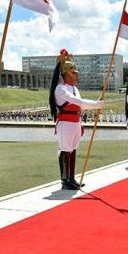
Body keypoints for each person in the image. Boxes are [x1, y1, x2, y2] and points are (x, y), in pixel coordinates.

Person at [49, 49, 103, 190]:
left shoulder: (74, 88)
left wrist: (93, 108)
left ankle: (72, 178)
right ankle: (65, 180)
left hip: (75, 122)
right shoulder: (61, 89)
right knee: (65, 150)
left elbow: (80, 106)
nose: (76, 75)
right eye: (73, 73)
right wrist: (95, 105)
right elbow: (76, 101)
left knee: (73, 150)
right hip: (65, 123)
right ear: (66, 74)